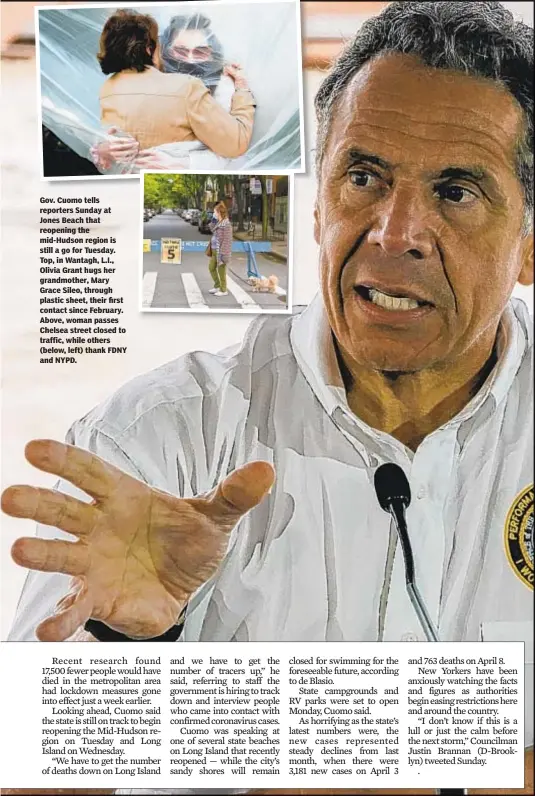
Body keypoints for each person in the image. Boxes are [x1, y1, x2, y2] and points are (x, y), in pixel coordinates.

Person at [3, 2, 533, 795]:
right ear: (317, 205)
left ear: (527, 244)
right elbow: (25, 765)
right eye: (362, 178)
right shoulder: (161, 437)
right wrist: (128, 646)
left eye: (455, 192)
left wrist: (201, 714)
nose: (395, 232)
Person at [95, 9, 255, 157]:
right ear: (152, 49)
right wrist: (242, 92)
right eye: (181, 51)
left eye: (200, 51)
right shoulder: (187, 88)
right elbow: (236, 144)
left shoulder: (107, 88)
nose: (191, 60)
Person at [208, 201, 233, 297]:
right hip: (214, 250)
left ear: (219, 212)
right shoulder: (219, 222)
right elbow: (211, 228)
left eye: (215, 212)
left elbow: (227, 241)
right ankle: (217, 285)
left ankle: (223, 289)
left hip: (221, 252)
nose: (213, 213)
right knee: (211, 268)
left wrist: (223, 255)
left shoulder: (226, 224)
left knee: (221, 271)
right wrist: (213, 220)